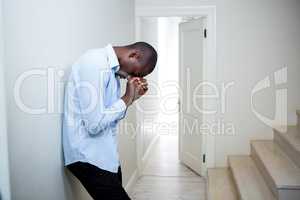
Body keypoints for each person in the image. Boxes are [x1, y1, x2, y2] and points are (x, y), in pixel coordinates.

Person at [62, 42, 157, 200]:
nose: (132, 78)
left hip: (106, 156)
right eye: (135, 72)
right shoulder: (94, 63)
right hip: (88, 157)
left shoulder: (111, 71)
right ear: (133, 55)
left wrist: (132, 98)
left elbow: (108, 118)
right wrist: (126, 98)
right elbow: (94, 124)